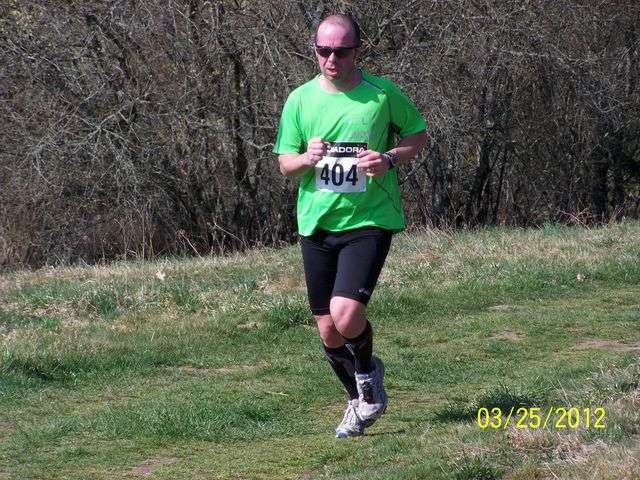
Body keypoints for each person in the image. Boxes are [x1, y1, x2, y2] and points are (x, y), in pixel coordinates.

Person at [273, 13, 427, 438]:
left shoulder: (381, 94)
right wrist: (305, 158)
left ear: (357, 51)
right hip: (317, 223)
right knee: (327, 328)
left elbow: (417, 134)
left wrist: (389, 158)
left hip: (369, 219)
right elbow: (285, 163)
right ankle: (360, 400)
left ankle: (366, 375)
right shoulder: (300, 100)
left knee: (345, 315)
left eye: (341, 51)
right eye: (323, 50)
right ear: (315, 50)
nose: (331, 59)